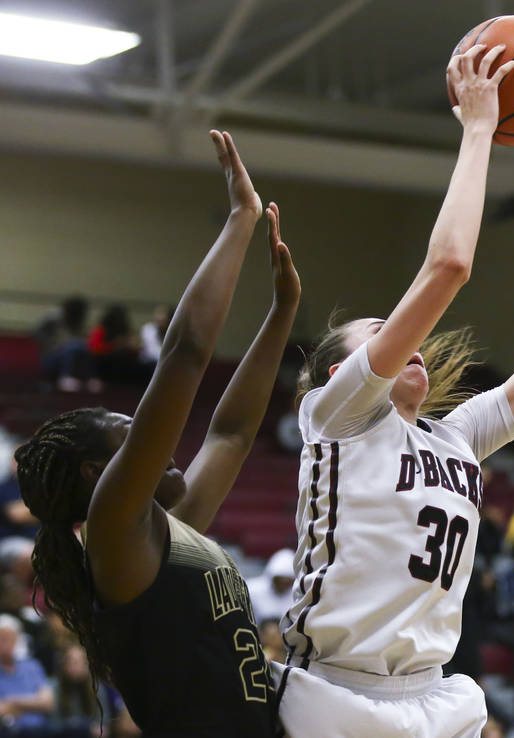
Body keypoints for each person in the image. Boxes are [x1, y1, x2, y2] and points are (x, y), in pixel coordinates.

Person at [274, 42, 514, 738]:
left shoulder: (457, 435)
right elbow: (448, 265)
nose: (402, 335)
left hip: (436, 695)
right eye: (380, 328)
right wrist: (479, 128)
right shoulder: (337, 414)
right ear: (337, 371)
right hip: (336, 695)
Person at [14, 131, 300, 737]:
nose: (164, 445)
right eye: (132, 436)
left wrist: (279, 316)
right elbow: (186, 355)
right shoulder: (115, 530)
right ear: (101, 475)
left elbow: (231, 434)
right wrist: (240, 221)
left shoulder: (165, 536)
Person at [0, 614, 55, 736]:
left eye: (11, 638)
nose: (6, 643)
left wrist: (12, 702)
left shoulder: (32, 666)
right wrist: (33, 703)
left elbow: (48, 703)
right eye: (2, 638)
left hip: (40, 731)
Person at [247, 548, 296, 623]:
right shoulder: (251, 590)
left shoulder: (297, 596)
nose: (283, 584)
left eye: (287, 581)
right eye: (280, 579)